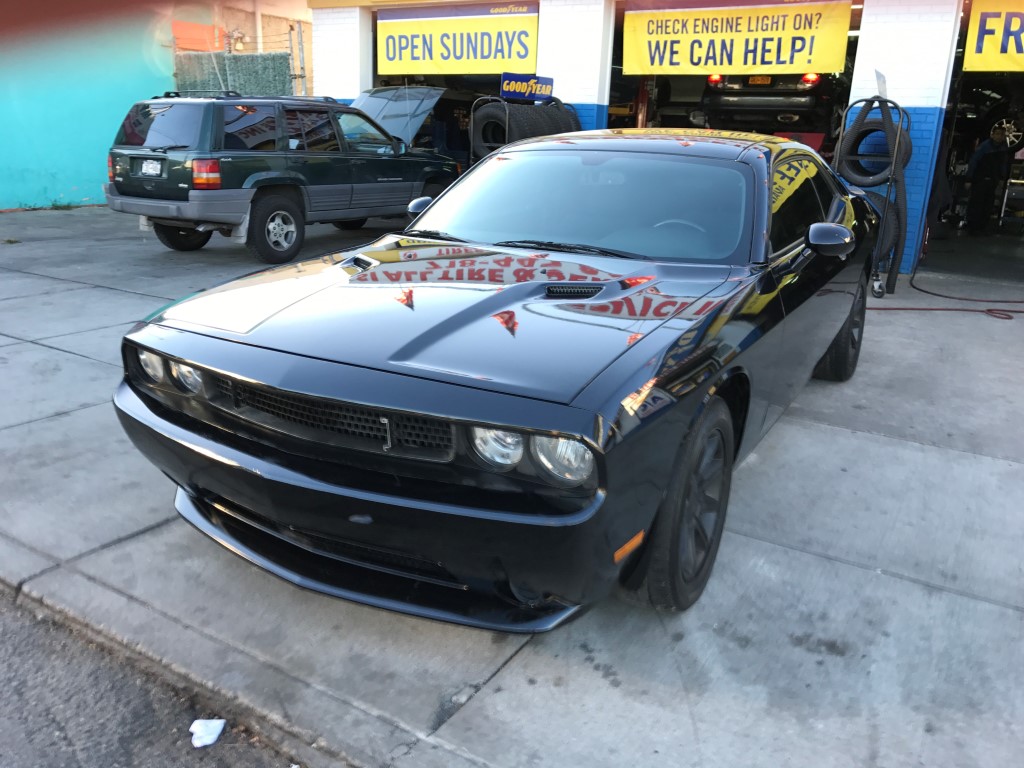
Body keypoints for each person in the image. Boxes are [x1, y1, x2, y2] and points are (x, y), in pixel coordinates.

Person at [964, 126, 1011, 234]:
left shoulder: (1003, 149)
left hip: (992, 181)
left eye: (1002, 135)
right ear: (992, 134)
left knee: (988, 204)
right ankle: (972, 227)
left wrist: (1002, 178)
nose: (1000, 137)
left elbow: (1003, 165)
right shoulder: (985, 147)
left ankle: (981, 227)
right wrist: (969, 179)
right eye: (998, 134)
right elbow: (973, 162)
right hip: (980, 179)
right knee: (976, 203)